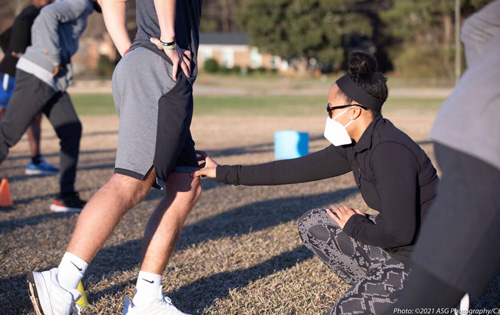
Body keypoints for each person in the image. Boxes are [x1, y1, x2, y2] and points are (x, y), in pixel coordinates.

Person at [193, 51, 440, 314]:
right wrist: (222, 172)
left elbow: (399, 233)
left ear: (354, 111)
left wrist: (356, 226)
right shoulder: (355, 144)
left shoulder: (390, 151)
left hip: (429, 265)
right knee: (315, 224)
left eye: (330, 109)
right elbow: (293, 170)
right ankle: (382, 289)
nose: (328, 115)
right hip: (399, 250)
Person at [26, 0, 203, 314]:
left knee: (185, 184)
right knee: (131, 182)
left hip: (155, 68)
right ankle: (62, 282)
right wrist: (167, 43)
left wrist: (130, 53)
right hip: (158, 68)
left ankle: (147, 299)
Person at [384, 0, 500, 311]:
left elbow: (476, 28)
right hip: (489, 146)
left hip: (462, 122)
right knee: (430, 296)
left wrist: (482, 88)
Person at [0, 0, 102, 212]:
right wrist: (54, 58)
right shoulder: (81, 3)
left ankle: (65, 196)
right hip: (38, 76)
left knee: (72, 129)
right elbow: (47, 15)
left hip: (51, 82)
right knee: (7, 135)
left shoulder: (84, 7)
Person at [0, 0, 59, 176]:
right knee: (2, 111)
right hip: (10, 73)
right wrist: (16, 53)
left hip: (28, 74)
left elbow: (3, 38)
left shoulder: (40, 14)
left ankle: (36, 160)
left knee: (34, 115)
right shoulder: (30, 14)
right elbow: (5, 39)